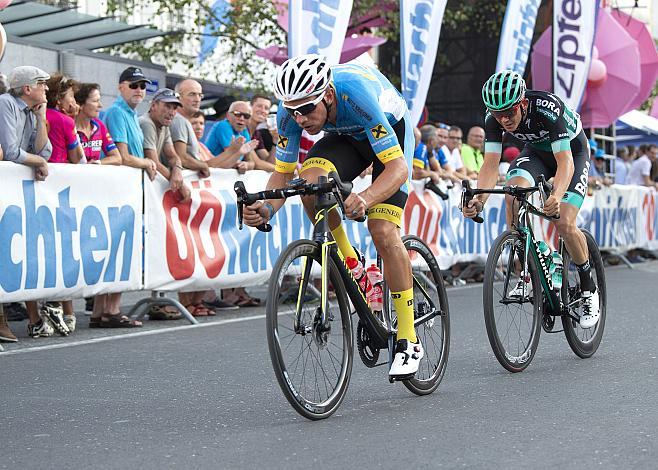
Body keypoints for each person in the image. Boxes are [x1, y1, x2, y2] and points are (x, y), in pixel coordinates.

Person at [242, 54, 423, 377]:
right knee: (310, 182)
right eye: (293, 111)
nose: (299, 118)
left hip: (388, 131)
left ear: (327, 94)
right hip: (344, 138)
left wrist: (365, 197)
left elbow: (398, 169)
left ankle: (408, 339)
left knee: (381, 230)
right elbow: (283, 175)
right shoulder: (290, 112)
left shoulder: (355, 95)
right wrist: (266, 209)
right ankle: (353, 265)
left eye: (307, 109)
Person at [463, 70, 600, 329]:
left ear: (523, 104)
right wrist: (479, 199)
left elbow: (565, 162)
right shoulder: (494, 118)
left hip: (572, 152)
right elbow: (491, 164)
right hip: (536, 154)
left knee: (564, 220)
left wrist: (557, 195)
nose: (503, 120)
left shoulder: (548, 109)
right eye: (497, 114)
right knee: (512, 194)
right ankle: (528, 271)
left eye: (509, 113)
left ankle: (588, 288)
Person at [0, 66, 57, 339]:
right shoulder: (6, 104)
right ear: (27, 89)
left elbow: (44, 150)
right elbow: (12, 151)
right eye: (42, 85)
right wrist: (38, 162)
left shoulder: (31, 111)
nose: (46, 89)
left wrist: (43, 115)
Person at [204, 100, 268, 172]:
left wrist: (246, 165)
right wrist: (241, 163)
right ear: (228, 115)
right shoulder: (224, 125)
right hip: (210, 171)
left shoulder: (244, 131)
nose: (241, 118)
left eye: (246, 116)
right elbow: (230, 159)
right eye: (237, 114)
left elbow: (251, 162)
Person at [74, 83, 122, 165]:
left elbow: (117, 158)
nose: (100, 105)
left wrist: (98, 162)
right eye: (95, 101)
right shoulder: (70, 127)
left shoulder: (99, 125)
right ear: (80, 105)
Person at [171, 78, 210, 178]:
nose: (197, 99)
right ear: (178, 97)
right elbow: (181, 158)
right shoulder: (179, 120)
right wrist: (203, 166)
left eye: (200, 95)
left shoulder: (183, 121)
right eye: (192, 94)